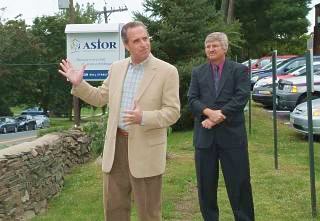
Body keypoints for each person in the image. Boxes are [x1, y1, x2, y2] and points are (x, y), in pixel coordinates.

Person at [58, 21, 180, 221]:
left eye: (145, 38)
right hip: (116, 149)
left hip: (146, 151)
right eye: (136, 40)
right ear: (126, 45)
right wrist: (79, 84)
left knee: (149, 214)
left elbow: (173, 112)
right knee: (114, 211)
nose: (143, 44)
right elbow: (99, 98)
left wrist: (144, 118)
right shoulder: (117, 68)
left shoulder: (167, 71)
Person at [187, 32, 255, 221]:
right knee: (205, 186)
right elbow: (192, 100)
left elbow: (241, 98)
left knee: (239, 184)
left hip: (232, 138)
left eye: (214, 45)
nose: (210, 49)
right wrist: (209, 113)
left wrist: (219, 116)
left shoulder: (239, 70)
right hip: (205, 139)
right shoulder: (198, 72)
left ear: (225, 48)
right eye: (208, 46)